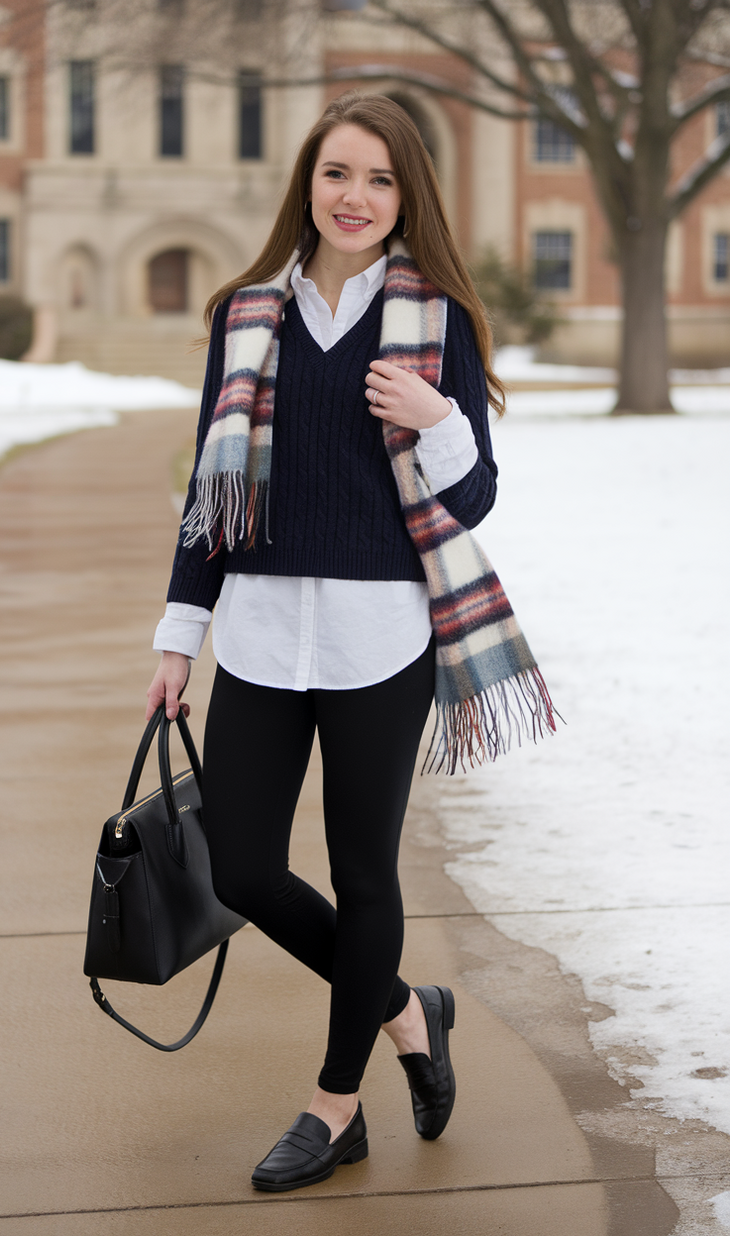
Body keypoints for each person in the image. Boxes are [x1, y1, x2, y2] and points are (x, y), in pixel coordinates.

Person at [146, 92, 505, 1193]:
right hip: (257, 633)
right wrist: (178, 635)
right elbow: (210, 496)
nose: (355, 198)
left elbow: (476, 496)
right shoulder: (243, 313)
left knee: (363, 876)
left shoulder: (436, 317)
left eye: (381, 180)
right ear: (307, 180)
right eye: (338, 173)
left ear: (408, 197)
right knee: (245, 866)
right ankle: (405, 1010)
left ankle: (334, 1104)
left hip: (375, 638)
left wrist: (435, 419)